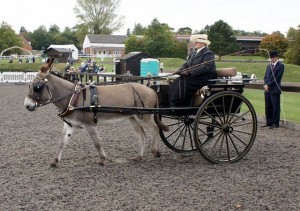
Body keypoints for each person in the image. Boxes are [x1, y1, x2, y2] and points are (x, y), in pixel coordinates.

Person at [169, 34, 217, 106]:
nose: (195, 43)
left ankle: (179, 104)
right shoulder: (194, 53)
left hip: (204, 78)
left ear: (203, 43)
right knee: (176, 81)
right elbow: (187, 64)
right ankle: (174, 102)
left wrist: (190, 72)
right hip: (195, 77)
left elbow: (205, 67)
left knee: (184, 83)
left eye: (197, 42)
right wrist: (181, 69)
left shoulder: (208, 53)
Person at [261, 50, 285, 129]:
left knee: (275, 107)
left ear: (277, 57)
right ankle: (269, 122)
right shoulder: (268, 66)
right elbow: (265, 77)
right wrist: (265, 85)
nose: (271, 59)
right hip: (267, 89)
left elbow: (277, 79)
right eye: (270, 58)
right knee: (268, 107)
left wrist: (268, 85)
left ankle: (275, 123)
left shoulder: (281, 66)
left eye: (273, 57)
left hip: (274, 89)